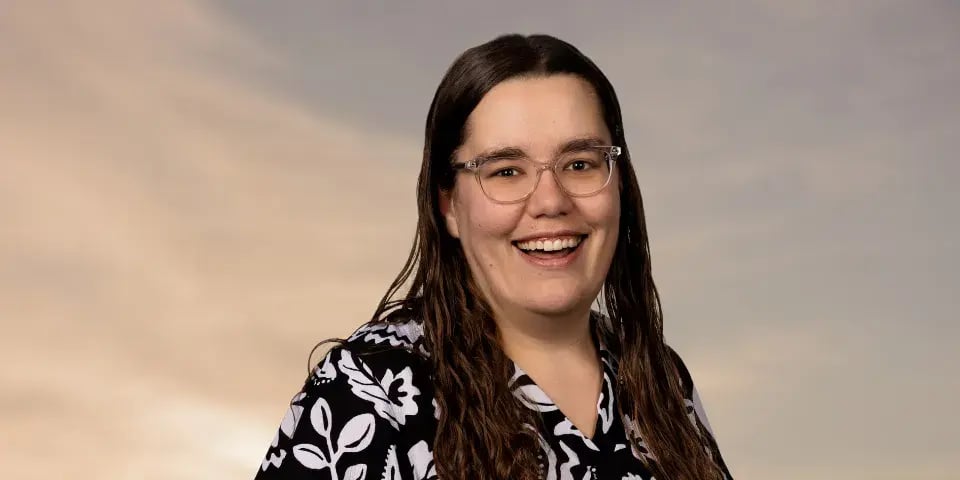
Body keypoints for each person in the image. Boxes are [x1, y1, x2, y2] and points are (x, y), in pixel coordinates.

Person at [254, 33, 733, 480]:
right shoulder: (371, 393)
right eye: (506, 171)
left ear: (620, 183)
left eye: (581, 164)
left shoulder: (661, 382)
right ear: (449, 206)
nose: (550, 201)